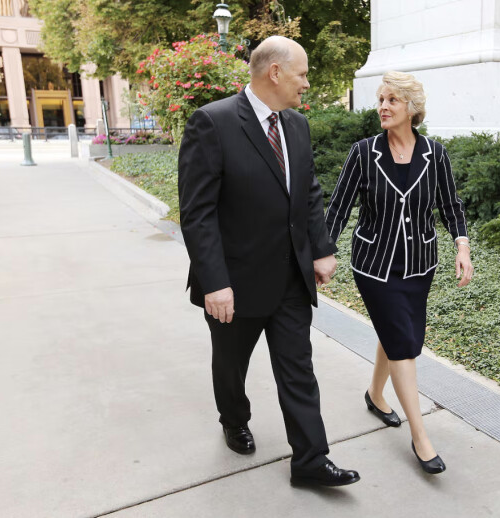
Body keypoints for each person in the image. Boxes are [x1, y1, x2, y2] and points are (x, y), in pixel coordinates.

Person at [178, 36, 359, 487]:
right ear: (275, 72)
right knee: (231, 365)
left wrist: (321, 248)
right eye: (302, 73)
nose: (307, 82)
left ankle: (311, 460)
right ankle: (233, 418)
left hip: (291, 278)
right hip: (234, 285)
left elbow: (308, 192)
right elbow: (197, 213)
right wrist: (214, 281)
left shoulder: (296, 125)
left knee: (299, 368)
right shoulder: (213, 122)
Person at [325, 71, 474, 474]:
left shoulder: (435, 154)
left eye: (391, 100)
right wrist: (321, 252)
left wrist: (463, 246)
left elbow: (451, 205)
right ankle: (420, 436)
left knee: (396, 333)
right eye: (380, 99)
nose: (383, 107)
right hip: (373, 265)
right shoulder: (363, 152)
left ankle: (376, 393)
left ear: (412, 108)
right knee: (405, 344)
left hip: (419, 263)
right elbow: (338, 207)